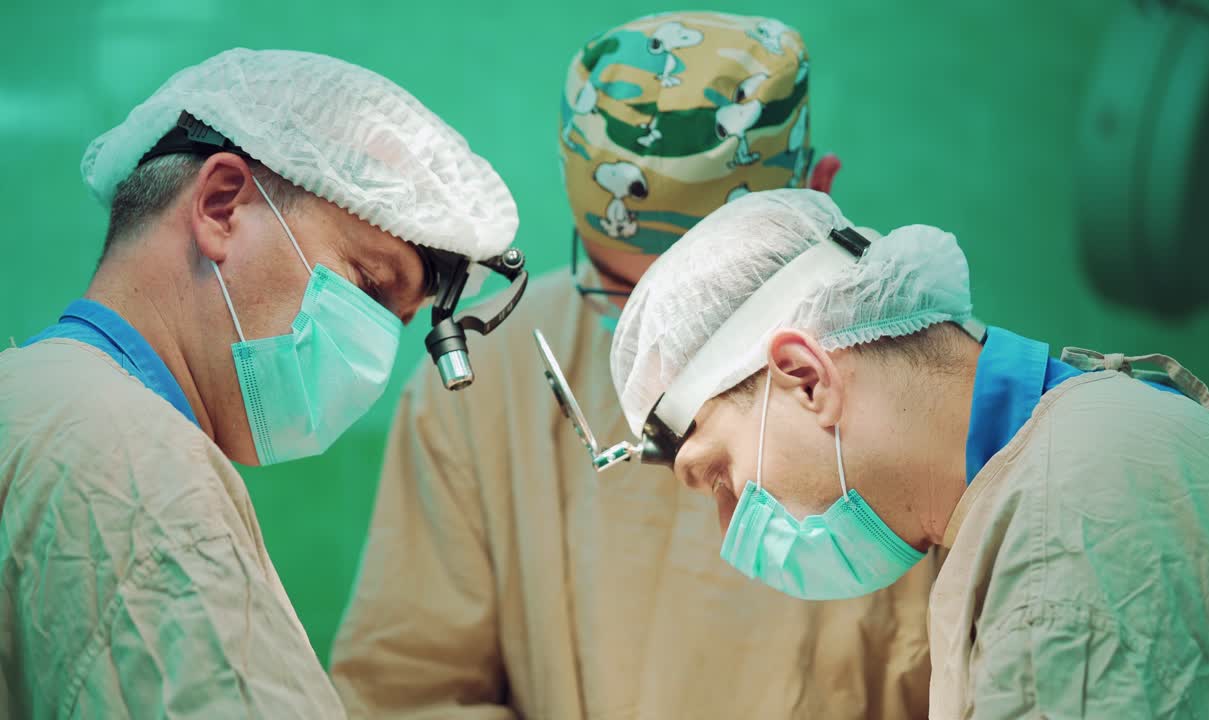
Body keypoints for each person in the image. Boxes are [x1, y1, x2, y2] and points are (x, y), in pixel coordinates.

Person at [330, 12, 936, 719]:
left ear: (819, 200)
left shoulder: (922, 389)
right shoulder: (490, 382)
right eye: (621, 293)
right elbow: (406, 690)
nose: (660, 352)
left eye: (715, 312)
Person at [608, 188, 1209, 718]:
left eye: (719, 473)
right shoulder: (1092, 428)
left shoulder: (1058, 568)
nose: (731, 526)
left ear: (806, 377)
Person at [0, 48, 519, 717]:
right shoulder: (139, 466)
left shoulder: (34, 397)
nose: (375, 350)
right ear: (220, 205)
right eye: (368, 286)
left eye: (398, 321)